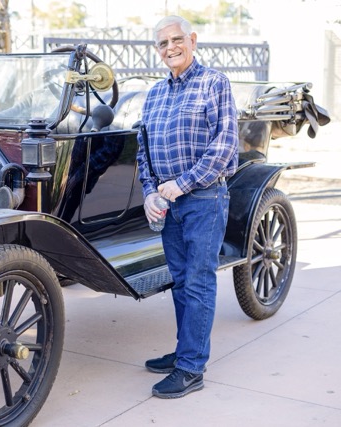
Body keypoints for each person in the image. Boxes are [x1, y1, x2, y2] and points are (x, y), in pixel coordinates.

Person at [136, 15, 239, 399]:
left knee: (198, 282)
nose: (170, 48)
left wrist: (180, 185)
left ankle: (192, 368)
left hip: (203, 199)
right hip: (168, 205)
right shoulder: (154, 95)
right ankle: (185, 351)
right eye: (162, 44)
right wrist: (150, 192)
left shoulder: (214, 83)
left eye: (176, 40)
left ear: (192, 40)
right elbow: (143, 150)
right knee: (180, 282)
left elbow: (225, 145)